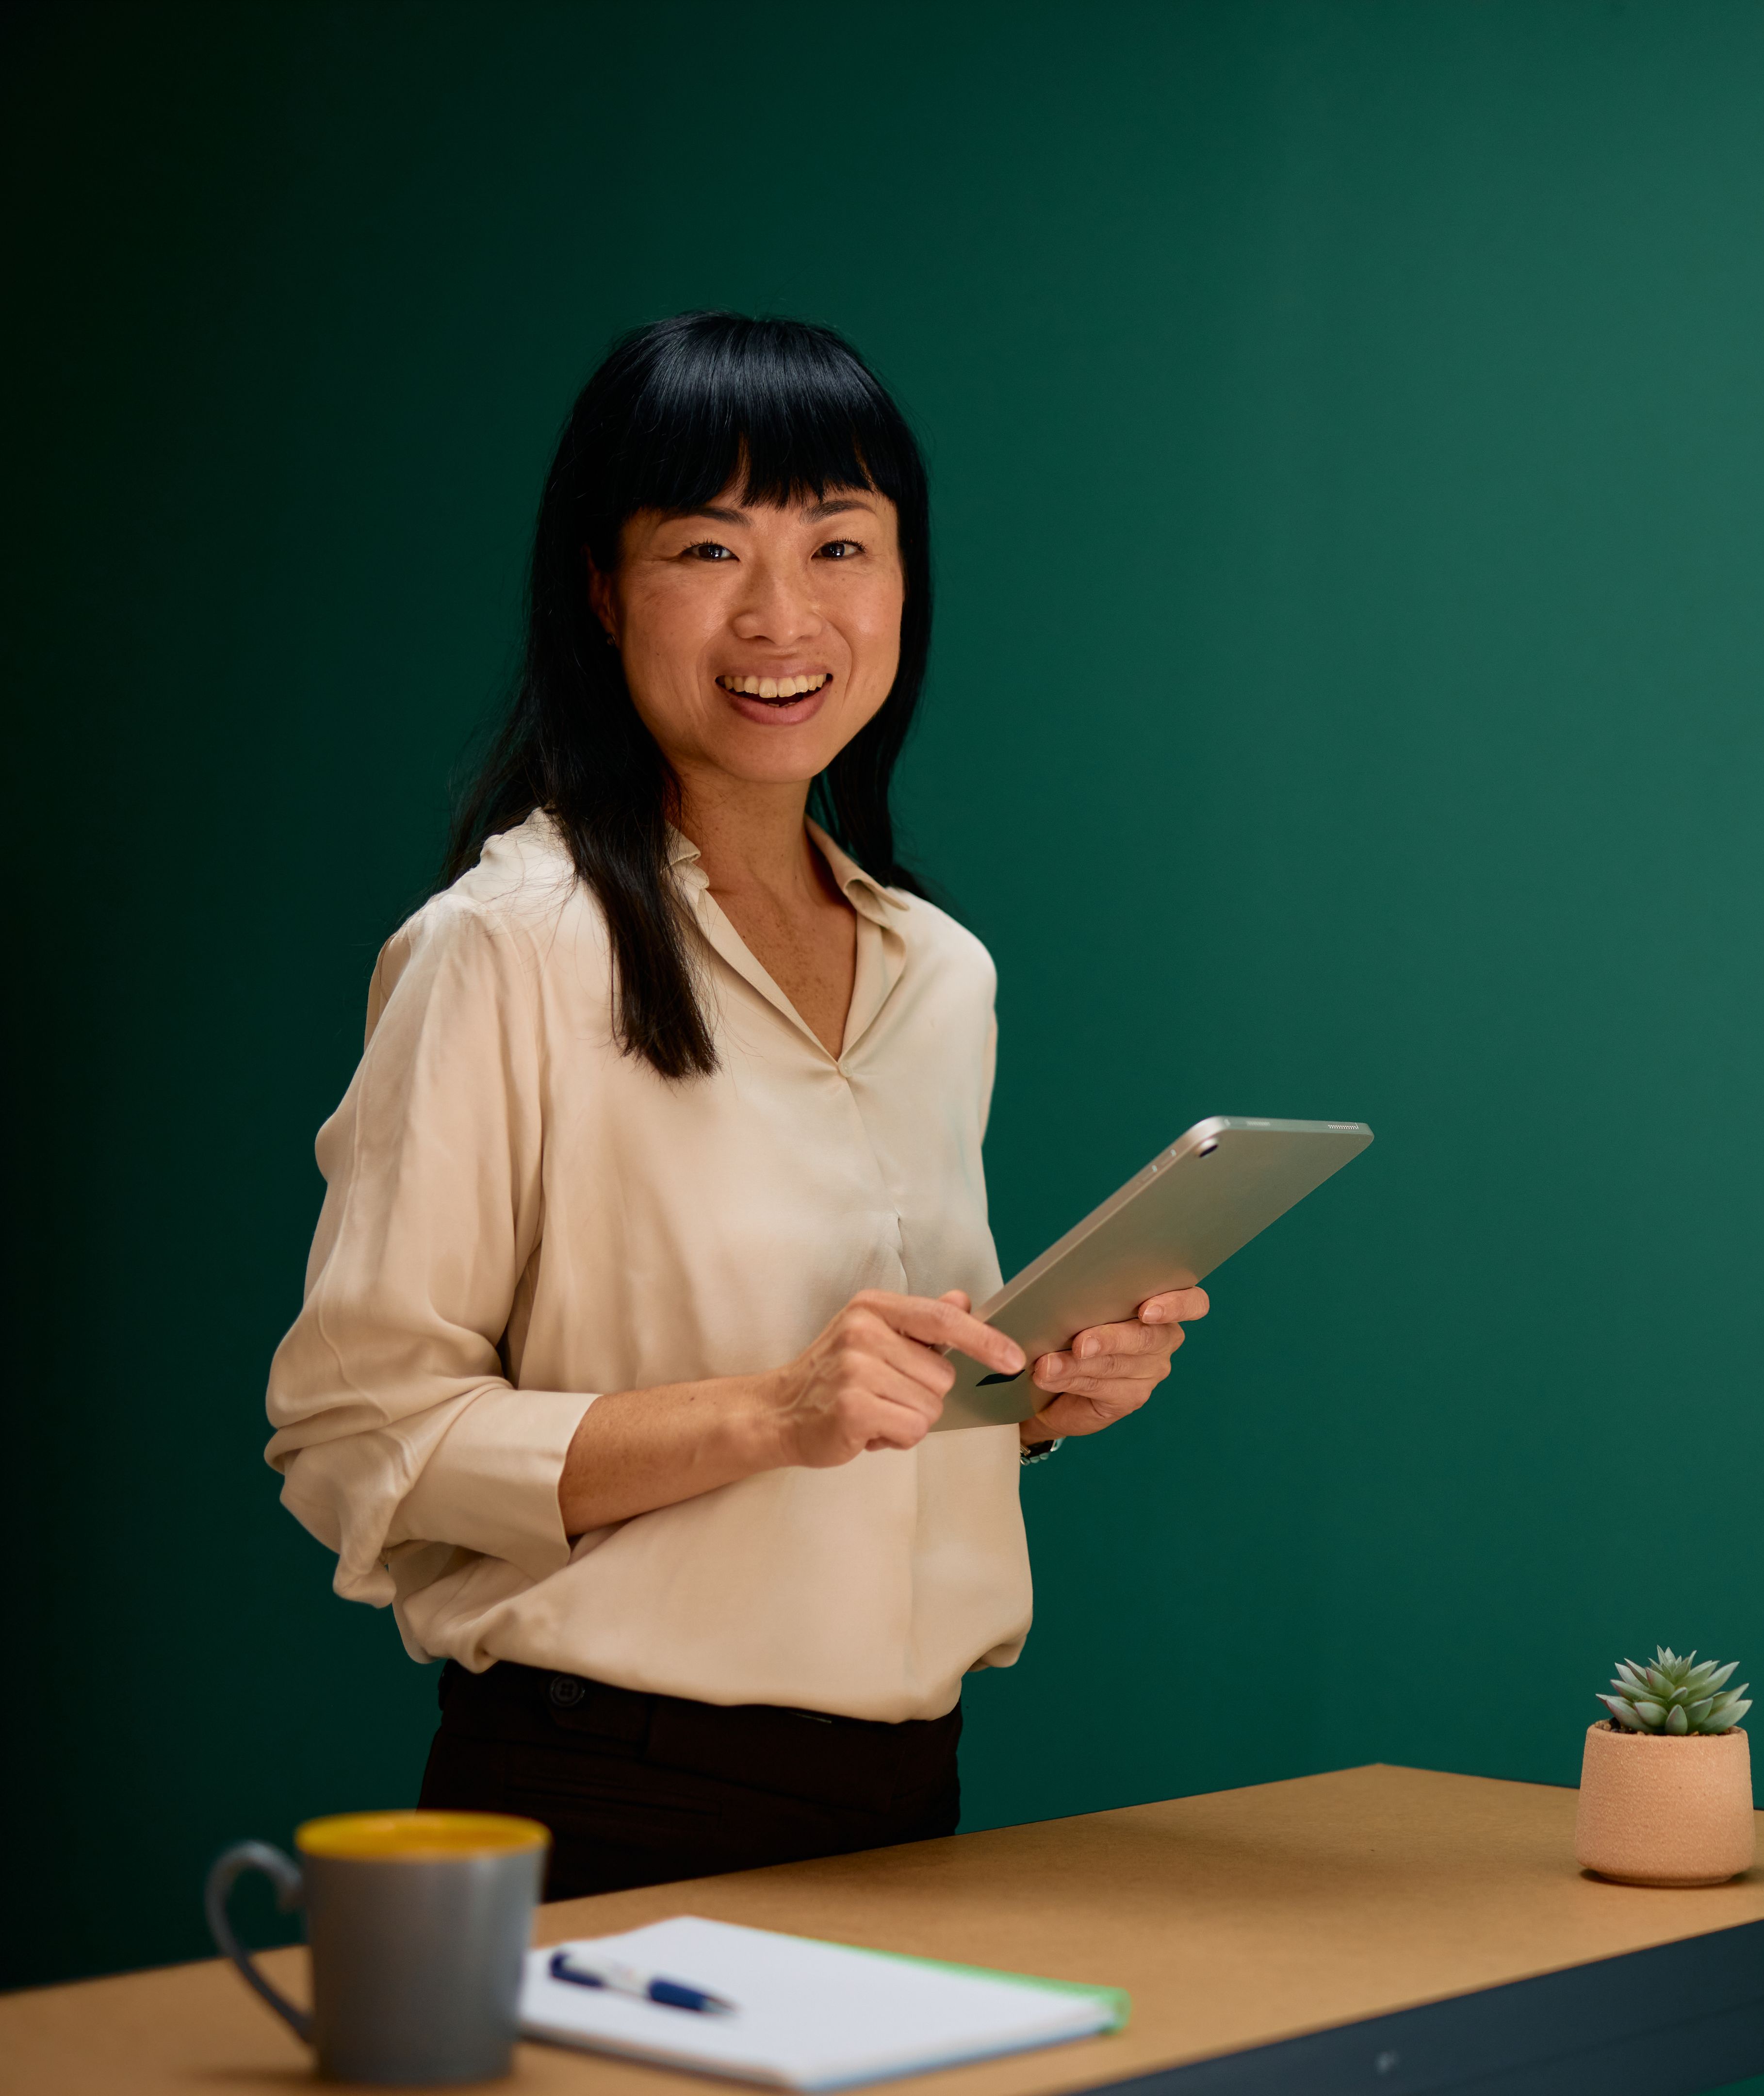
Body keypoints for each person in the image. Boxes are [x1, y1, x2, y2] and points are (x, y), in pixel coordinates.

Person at [263, 312, 1202, 1900]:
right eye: (710, 546)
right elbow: (360, 1441)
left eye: (843, 543)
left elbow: (852, 1425)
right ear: (602, 589)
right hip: (609, 1797)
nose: (785, 614)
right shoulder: (506, 947)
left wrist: (1017, 1401)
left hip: (908, 1797)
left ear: (907, 581)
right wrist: (771, 1412)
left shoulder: (940, 972)